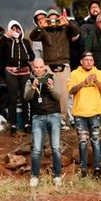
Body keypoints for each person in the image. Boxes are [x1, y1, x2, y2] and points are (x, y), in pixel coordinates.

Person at [67, 51, 101, 178]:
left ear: (93, 62)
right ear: (81, 62)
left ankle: (97, 167)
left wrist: (96, 81)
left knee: (95, 140)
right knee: (83, 141)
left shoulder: (99, 73)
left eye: (91, 60)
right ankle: (83, 167)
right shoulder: (74, 73)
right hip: (80, 112)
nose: (89, 62)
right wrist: (83, 82)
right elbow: (71, 90)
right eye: (86, 60)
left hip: (94, 112)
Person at [24, 58, 62, 187]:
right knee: (36, 149)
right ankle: (35, 176)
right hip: (37, 116)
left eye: (41, 67)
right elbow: (26, 97)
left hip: (54, 114)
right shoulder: (30, 80)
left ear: (45, 67)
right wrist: (33, 87)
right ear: (33, 68)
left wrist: (51, 88)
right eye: (36, 67)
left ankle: (57, 175)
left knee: (56, 147)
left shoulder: (53, 77)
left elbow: (59, 96)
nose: (39, 70)